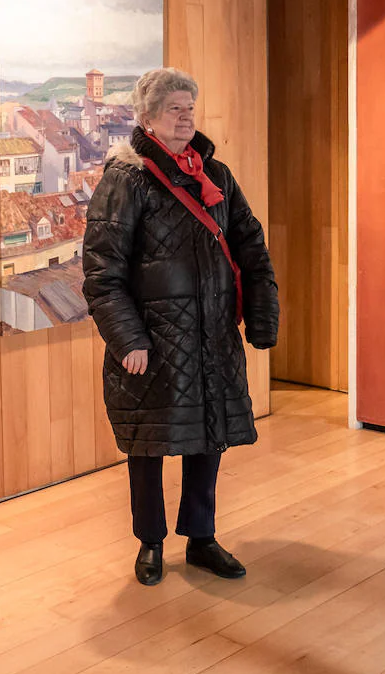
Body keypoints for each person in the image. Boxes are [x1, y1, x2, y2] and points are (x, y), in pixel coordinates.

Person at [82, 67, 279, 586]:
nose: (186, 116)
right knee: (148, 445)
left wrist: (261, 316)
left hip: (212, 335)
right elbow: (103, 274)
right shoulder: (125, 180)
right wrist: (128, 340)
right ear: (146, 117)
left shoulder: (216, 175)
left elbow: (251, 247)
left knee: (206, 438)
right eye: (174, 108)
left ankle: (201, 537)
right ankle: (150, 542)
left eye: (190, 107)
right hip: (152, 343)